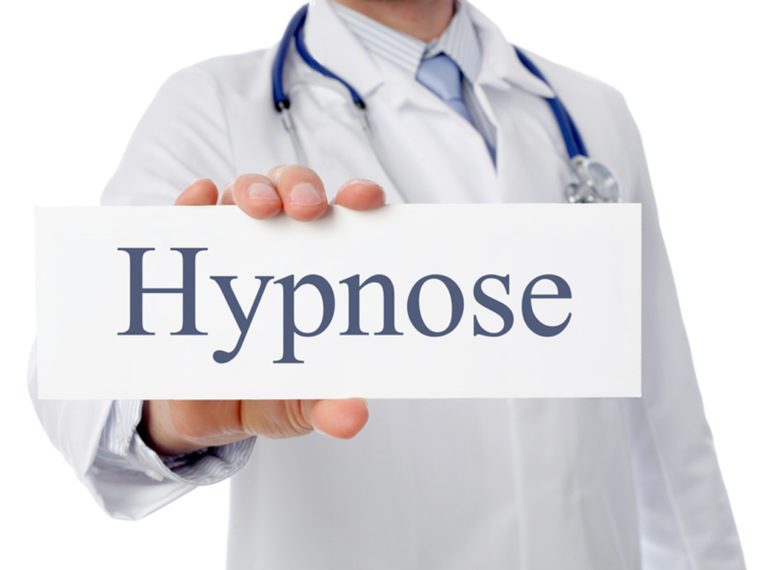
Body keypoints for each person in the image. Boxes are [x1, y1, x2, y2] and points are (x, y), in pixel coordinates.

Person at [30, 0, 746, 568]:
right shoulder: (212, 106)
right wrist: (164, 409)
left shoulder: (591, 112)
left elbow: (666, 423)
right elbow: (79, 359)